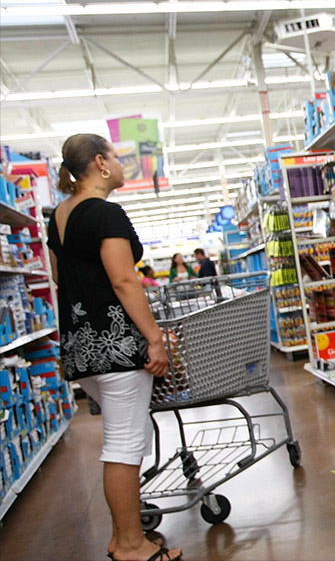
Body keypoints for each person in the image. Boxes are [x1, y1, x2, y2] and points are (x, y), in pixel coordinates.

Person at [46, 134, 181, 561]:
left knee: (129, 437)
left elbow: (57, 279)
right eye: (119, 158)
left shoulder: (59, 217)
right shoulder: (106, 214)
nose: (125, 165)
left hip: (82, 349)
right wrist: (154, 337)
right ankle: (128, 544)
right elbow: (124, 281)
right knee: (124, 445)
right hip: (118, 348)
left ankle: (123, 536)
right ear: (101, 164)